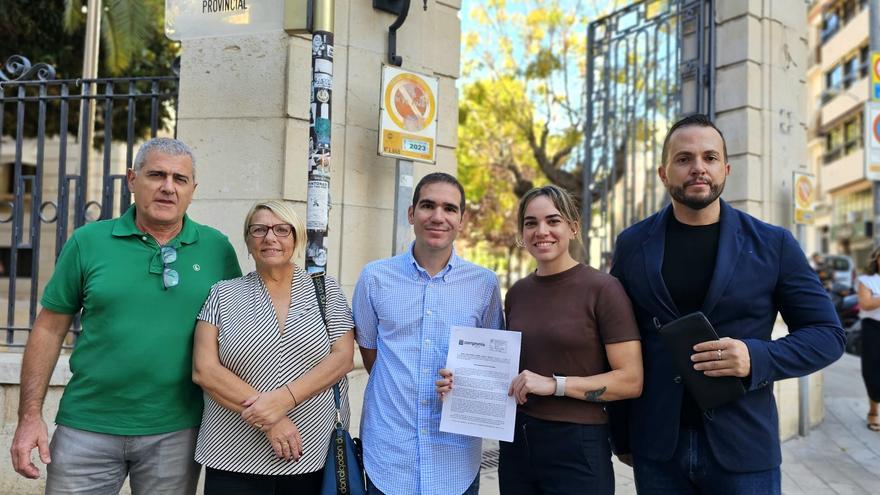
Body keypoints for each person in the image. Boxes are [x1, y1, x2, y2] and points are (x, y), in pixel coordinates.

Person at [609, 114, 845, 494]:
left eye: (710, 157)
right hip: (657, 448)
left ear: (726, 168)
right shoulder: (633, 244)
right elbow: (619, 339)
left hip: (744, 448)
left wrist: (755, 358)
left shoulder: (773, 244)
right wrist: (620, 435)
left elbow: (829, 336)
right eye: (684, 159)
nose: (698, 168)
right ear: (663, 173)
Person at [9, 137, 242, 494]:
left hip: (177, 432)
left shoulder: (217, 249)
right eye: (156, 175)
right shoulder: (89, 242)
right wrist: (29, 417)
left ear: (193, 189)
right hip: (86, 427)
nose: (167, 187)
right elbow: (49, 329)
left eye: (179, 179)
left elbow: (240, 333)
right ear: (132, 179)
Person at [480, 185, 642, 494]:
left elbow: (631, 380)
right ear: (522, 232)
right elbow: (510, 370)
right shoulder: (517, 293)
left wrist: (556, 384)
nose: (542, 231)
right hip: (517, 442)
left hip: (577, 445)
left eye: (553, 221)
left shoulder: (603, 289)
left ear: (573, 227)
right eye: (531, 223)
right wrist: (462, 381)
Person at [352, 172, 504, 495]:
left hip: (456, 459)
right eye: (428, 205)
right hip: (389, 455)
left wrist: (466, 381)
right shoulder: (374, 278)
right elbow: (371, 355)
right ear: (411, 213)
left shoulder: (484, 284)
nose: (438, 216)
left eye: (450, 209)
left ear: (461, 220)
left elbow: (491, 367)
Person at [192, 199, 355, 493]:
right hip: (231, 450)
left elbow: (342, 359)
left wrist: (286, 398)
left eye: (282, 229)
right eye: (259, 230)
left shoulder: (325, 290)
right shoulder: (222, 293)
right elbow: (204, 370)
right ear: (247, 239)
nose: (270, 238)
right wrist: (272, 419)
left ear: (297, 237)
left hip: (307, 451)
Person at [856, 247, 880, 432]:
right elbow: (866, 304)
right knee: (872, 371)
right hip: (873, 328)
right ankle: (873, 411)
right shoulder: (867, 281)